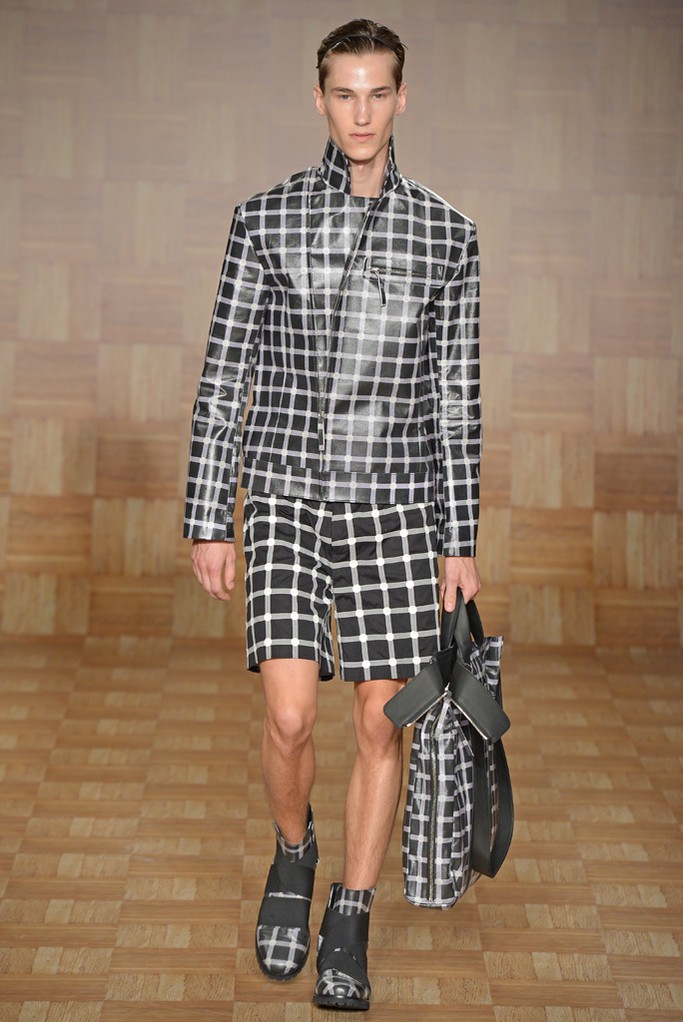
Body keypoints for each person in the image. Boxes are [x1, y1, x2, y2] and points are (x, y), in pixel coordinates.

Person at [184, 18, 482, 1012]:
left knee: (380, 721)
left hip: (395, 504)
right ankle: (292, 851)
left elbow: (454, 400)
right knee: (288, 713)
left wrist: (459, 540)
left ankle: (348, 912)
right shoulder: (262, 220)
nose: (360, 112)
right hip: (281, 494)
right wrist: (209, 514)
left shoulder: (446, 234)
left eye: (376, 93)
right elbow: (224, 373)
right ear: (318, 98)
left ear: (401, 99)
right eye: (343, 93)